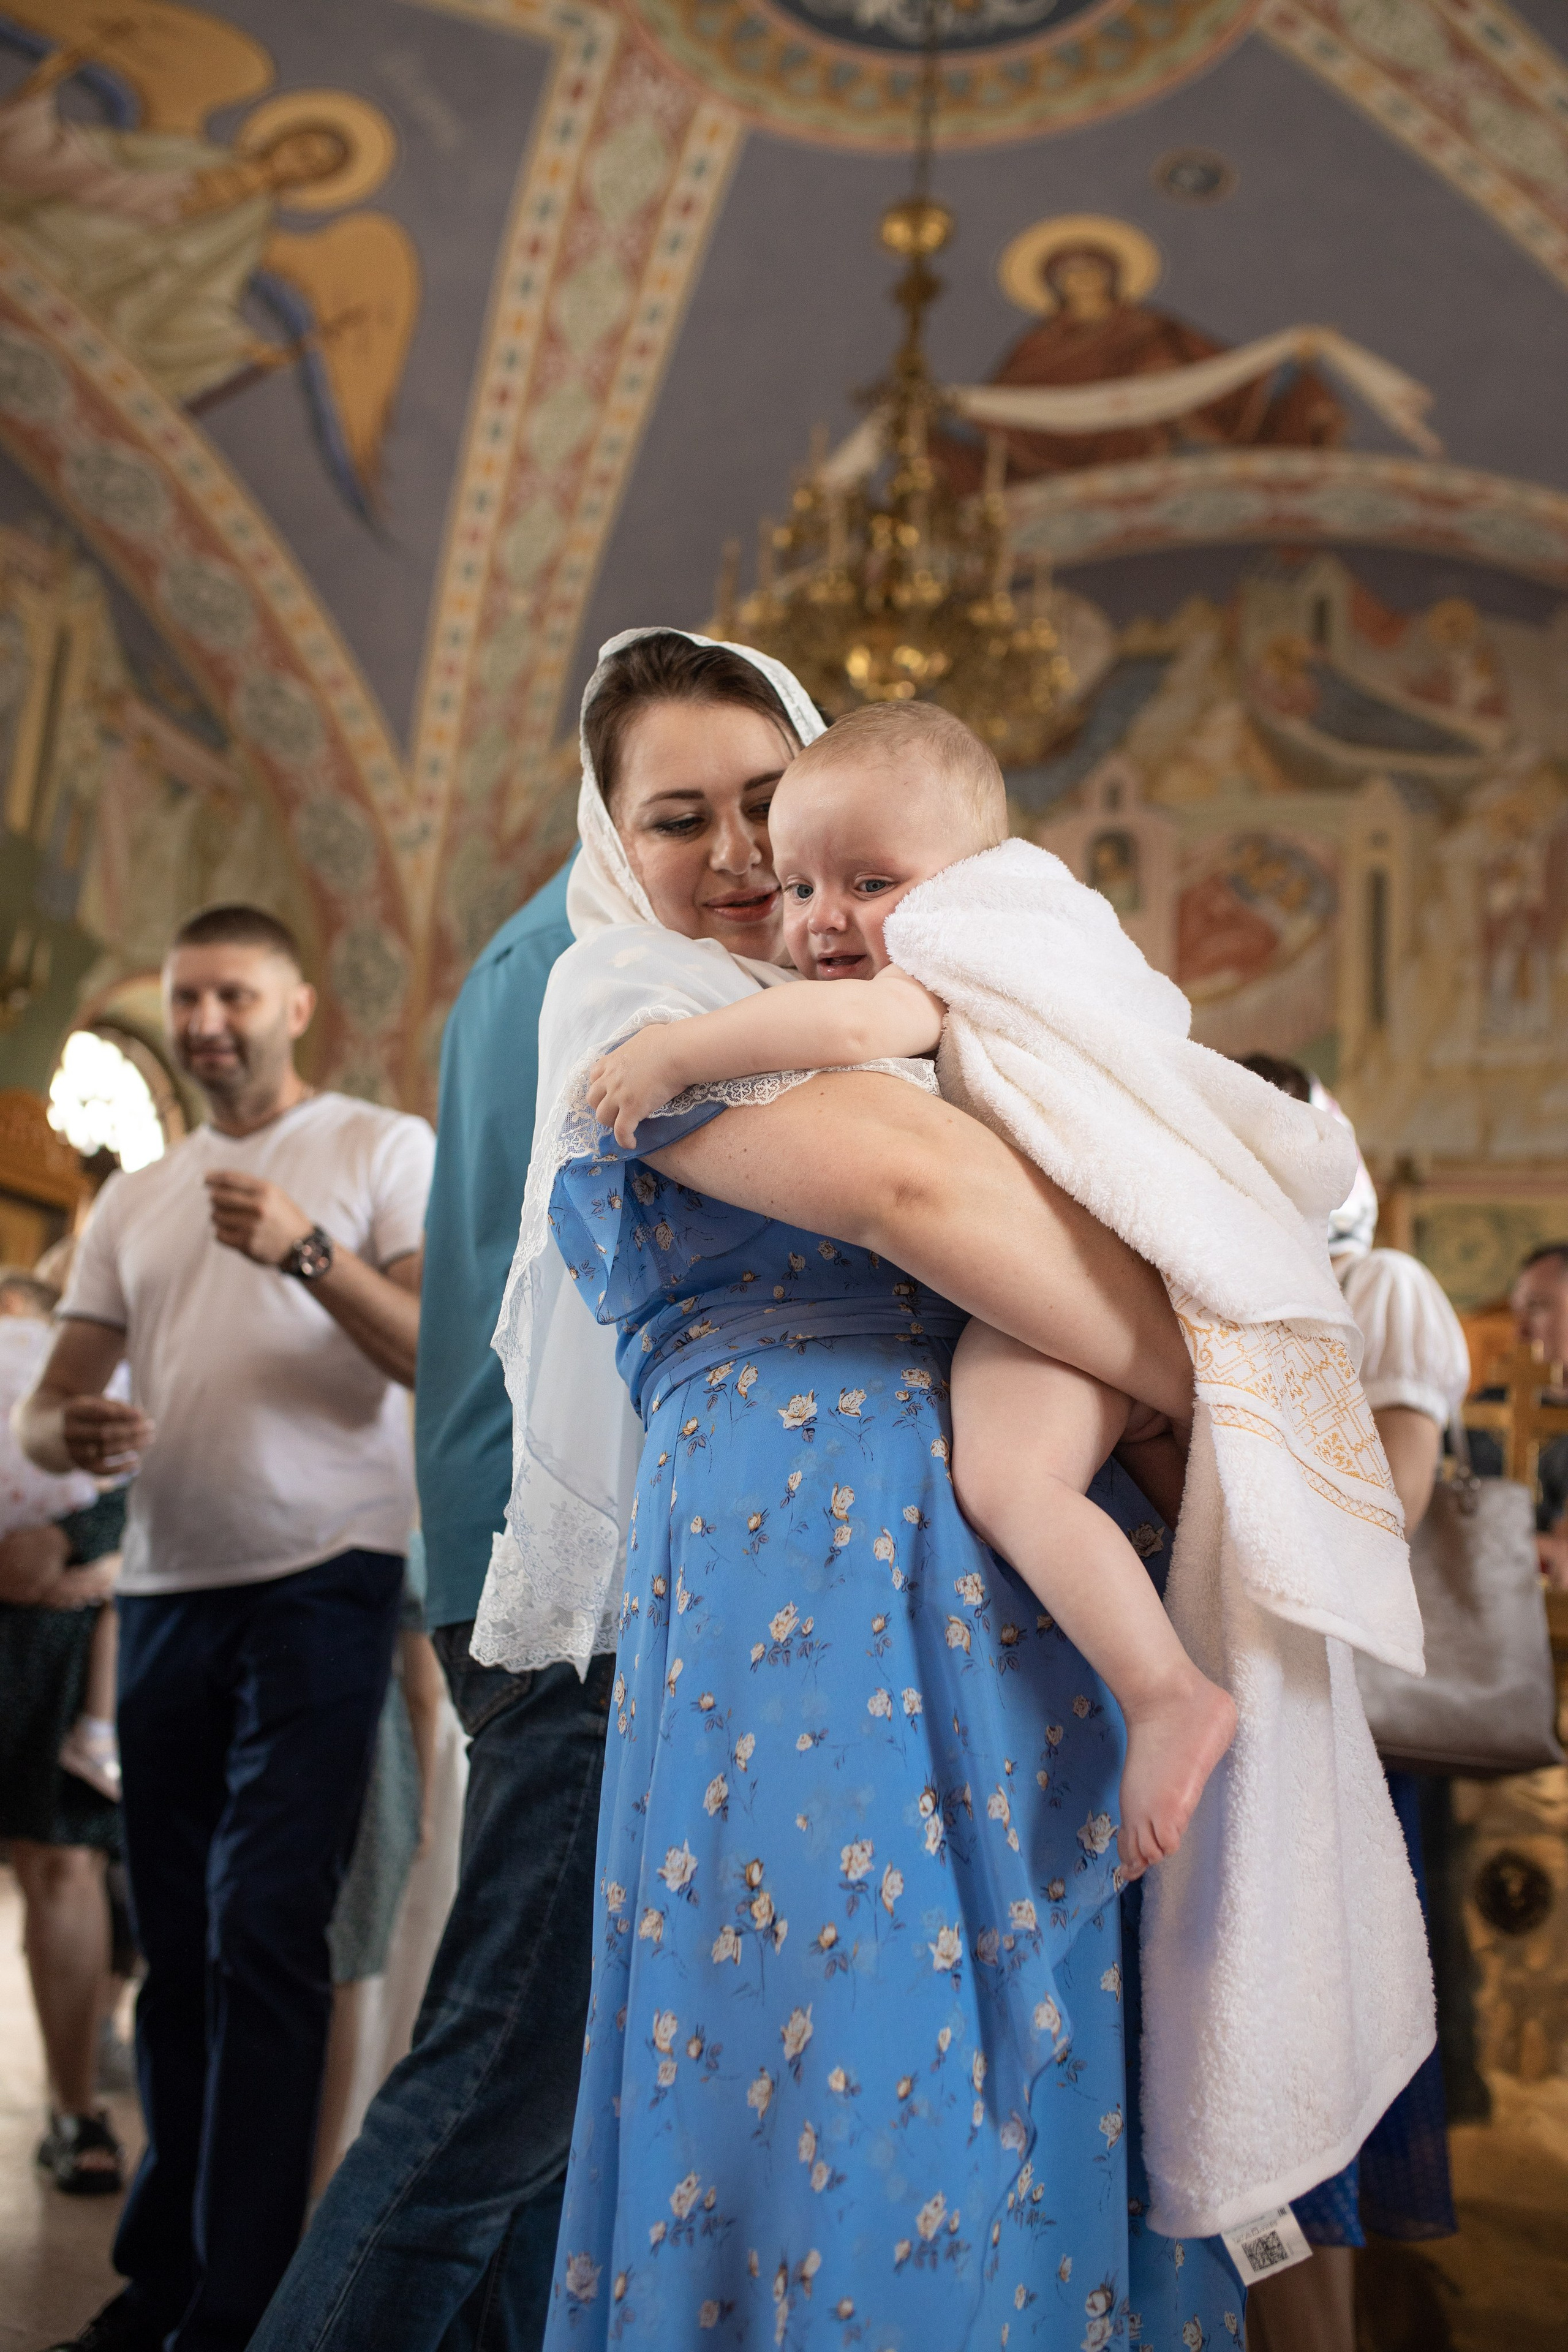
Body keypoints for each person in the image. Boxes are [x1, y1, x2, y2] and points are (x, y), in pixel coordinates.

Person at [475, 628, 1244, 2346]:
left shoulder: (940, 994)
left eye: (771, 799)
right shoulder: (633, 1001)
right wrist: (1219, 1371)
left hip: (1002, 1578)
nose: (745, 856)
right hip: (790, 1589)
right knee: (825, 2031)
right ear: (611, 846)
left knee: (1020, 2033)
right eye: (683, 820)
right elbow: (911, 1191)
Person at [586, 697, 1270, 1875]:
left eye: (869, 882)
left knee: (1011, 1477)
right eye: (802, 891)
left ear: (967, 882)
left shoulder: (946, 967)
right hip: (1057, 1300)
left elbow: (857, 1022)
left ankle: (1167, 1692)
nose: (823, 919)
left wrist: (678, 1053)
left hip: (1065, 1298)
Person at [17, 904, 434, 2352]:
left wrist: (311, 1252)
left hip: (327, 1579)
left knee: (268, 1931)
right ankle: (166, 2284)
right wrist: (74, 1423)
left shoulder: (380, 1150)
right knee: (183, 1946)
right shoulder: (135, 1201)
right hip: (166, 1589)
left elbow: (429, 1353)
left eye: (233, 997)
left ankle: (244, 2308)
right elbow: (45, 1411)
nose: (204, 1024)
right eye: (186, 997)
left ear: (296, 1002)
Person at [249, 862, 596, 2352]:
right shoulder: (589, 963)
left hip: (512, 1562)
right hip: (560, 1583)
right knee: (497, 2082)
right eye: (687, 811)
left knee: (546, 2113)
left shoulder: (547, 950)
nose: (744, 857)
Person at [1237, 1054, 1469, 2352]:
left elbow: (1375, 1521)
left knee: (1310, 2074)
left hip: (1334, 1726)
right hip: (1226, 1715)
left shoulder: (1377, 1291)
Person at [0, 1267, 130, 2196]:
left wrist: (89, 1550)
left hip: (58, 1633)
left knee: (62, 1864)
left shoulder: (107, 1366)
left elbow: (153, 1474)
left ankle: (75, 2103)